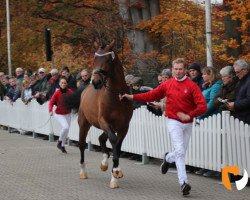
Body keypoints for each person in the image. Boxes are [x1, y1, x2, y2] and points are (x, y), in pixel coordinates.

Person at [120, 58, 207, 196]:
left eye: (180, 69)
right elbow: (151, 94)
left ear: (185, 70)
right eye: (175, 69)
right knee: (180, 151)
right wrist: (131, 97)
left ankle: (167, 158)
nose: (178, 72)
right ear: (172, 69)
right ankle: (183, 182)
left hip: (187, 123)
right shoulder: (168, 84)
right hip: (173, 121)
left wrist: (190, 115)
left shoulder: (191, 86)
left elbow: (203, 106)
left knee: (180, 152)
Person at [49, 77, 73, 153]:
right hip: (59, 113)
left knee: (67, 130)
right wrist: (50, 110)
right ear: (59, 84)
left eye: (65, 83)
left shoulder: (70, 91)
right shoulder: (57, 92)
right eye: (62, 83)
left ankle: (62, 146)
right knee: (65, 127)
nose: (63, 84)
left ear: (67, 84)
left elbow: (74, 99)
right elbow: (51, 102)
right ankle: (59, 142)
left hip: (68, 113)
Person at [227, 59, 250, 124]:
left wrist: (235, 104)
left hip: (247, 119)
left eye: (238, 72)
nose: (236, 74)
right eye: (235, 72)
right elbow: (240, 96)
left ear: (245, 70)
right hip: (242, 117)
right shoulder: (241, 81)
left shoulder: (248, 81)